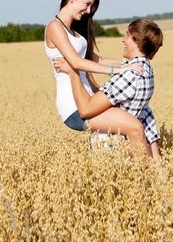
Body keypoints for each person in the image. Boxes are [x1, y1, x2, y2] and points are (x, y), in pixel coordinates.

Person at [45, 0, 151, 156]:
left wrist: (132, 63)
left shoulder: (75, 33)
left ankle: (154, 174)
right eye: (87, 4)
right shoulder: (54, 27)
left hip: (90, 99)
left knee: (143, 119)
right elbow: (76, 63)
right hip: (74, 107)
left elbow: (97, 60)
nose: (88, 11)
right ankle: (153, 179)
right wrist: (118, 71)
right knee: (134, 128)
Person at [53, 19, 163, 158]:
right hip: (125, 139)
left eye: (127, 35)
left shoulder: (129, 75)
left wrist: (73, 71)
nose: (123, 40)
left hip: (113, 144)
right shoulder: (145, 69)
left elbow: (86, 109)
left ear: (137, 40)